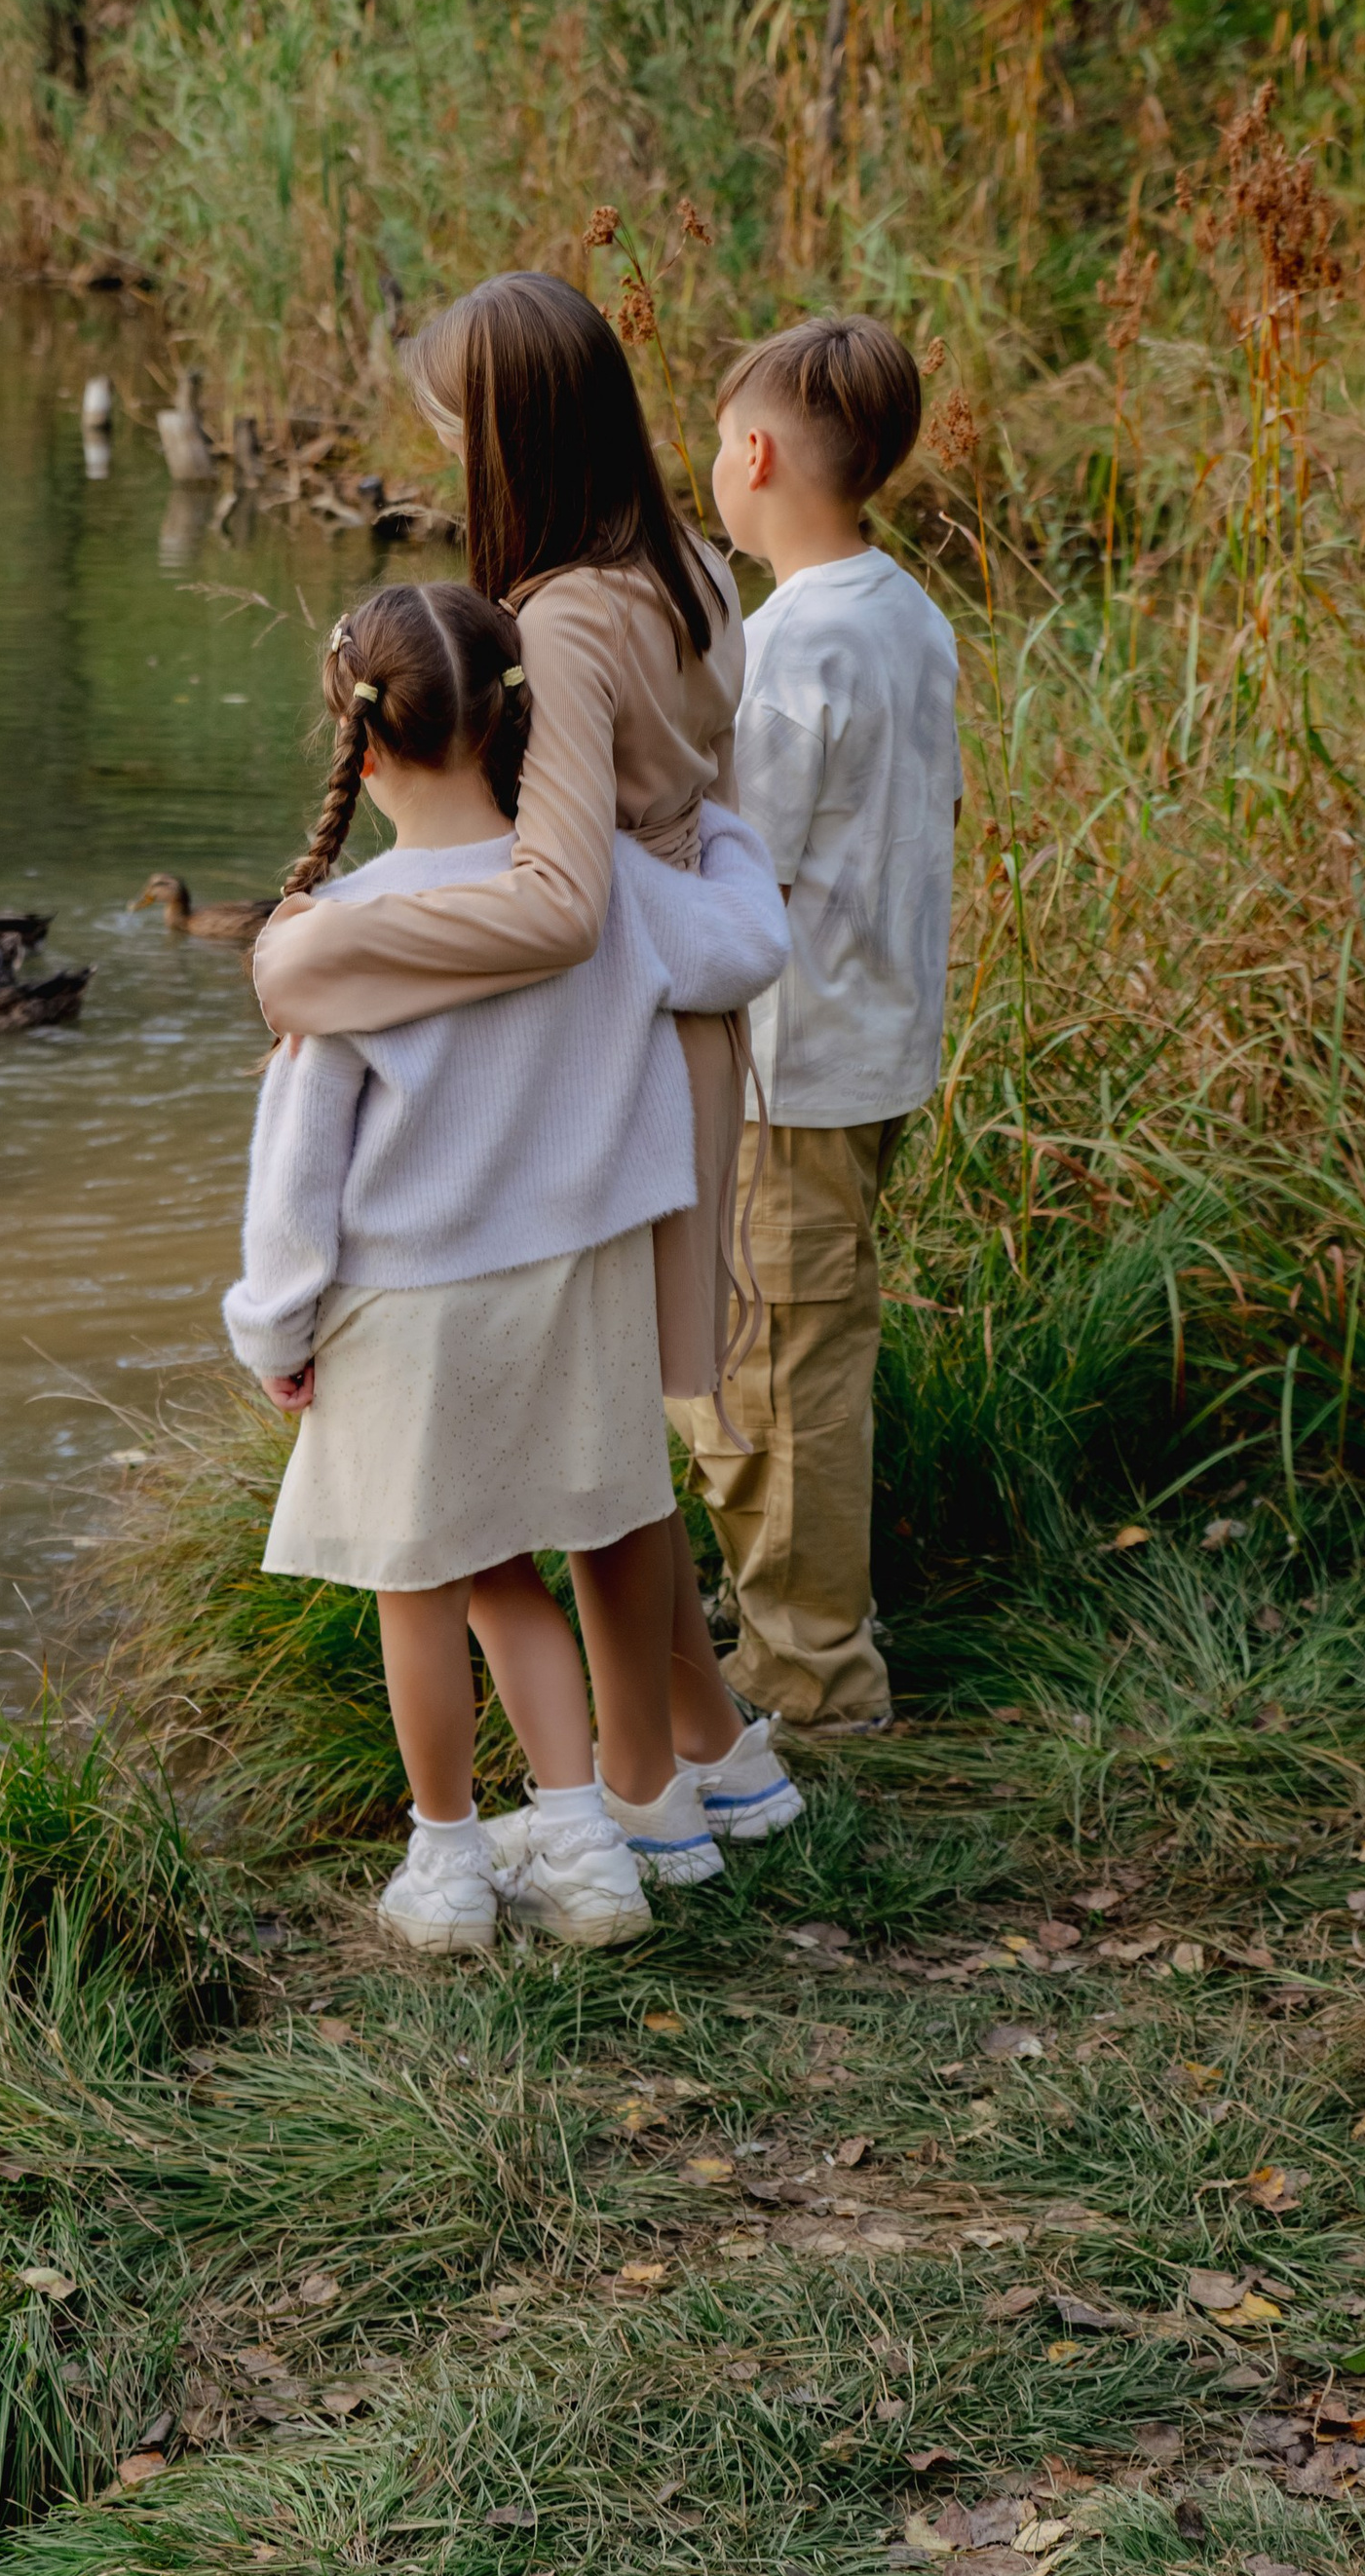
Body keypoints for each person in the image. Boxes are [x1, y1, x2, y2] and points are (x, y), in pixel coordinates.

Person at [251, 272, 791, 1875]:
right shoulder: (684, 561)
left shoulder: (561, 613)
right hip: (661, 1019)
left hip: (595, 1045)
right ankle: (711, 1752)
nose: (437, 443)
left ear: (506, 432)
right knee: (613, 1439)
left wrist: (312, 958)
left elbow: (555, 901)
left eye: (449, 421)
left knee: (610, 1464)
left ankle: (644, 1795)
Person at [687, 316, 960, 1733]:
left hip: (792, 1069)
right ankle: (796, 1634)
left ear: (755, 453)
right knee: (794, 1348)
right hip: (877, 1041)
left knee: (771, 1376)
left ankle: (811, 1682)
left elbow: (747, 873)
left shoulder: (791, 645)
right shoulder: (907, 613)